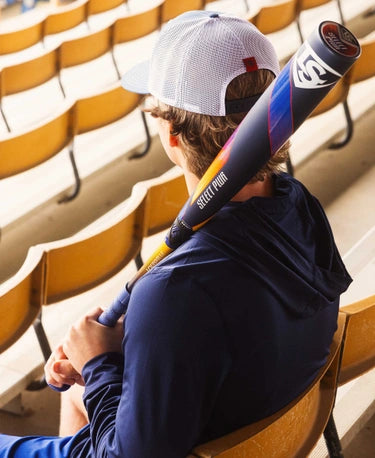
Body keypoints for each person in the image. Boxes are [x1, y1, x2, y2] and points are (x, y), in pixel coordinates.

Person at [0, 10, 352, 458]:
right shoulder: (300, 206)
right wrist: (121, 343)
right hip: (257, 408)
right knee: (74, 392)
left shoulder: (173, 291)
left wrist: (101, 363)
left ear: (170, 133)